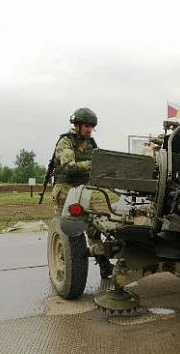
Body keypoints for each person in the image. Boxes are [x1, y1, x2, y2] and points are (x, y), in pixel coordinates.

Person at [51, 107, 114, 279]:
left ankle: (104, 265)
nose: (89, 129)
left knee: (94, 227)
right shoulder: (66, 141)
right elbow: (69, 167)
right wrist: (92, 164)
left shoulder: (91, 143)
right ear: (77, 125)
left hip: (83, 190)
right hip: (65, 189)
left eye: (91, 127)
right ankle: (68, 271)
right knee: (69, 230)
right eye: (86, 126)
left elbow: (99, 164)